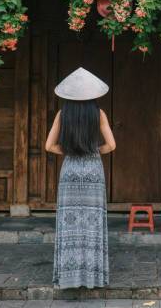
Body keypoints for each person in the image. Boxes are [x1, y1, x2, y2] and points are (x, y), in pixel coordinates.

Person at [45, 67, 116, 289]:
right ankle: (93, 276)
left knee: (70, 222)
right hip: (94, 171)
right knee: (92, 223)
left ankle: (68, 276)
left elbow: (49, 146)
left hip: (70, 172)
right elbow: (111, 145)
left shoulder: (62, 114)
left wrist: (70, 152)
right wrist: (93, 153)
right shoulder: (99, 114)